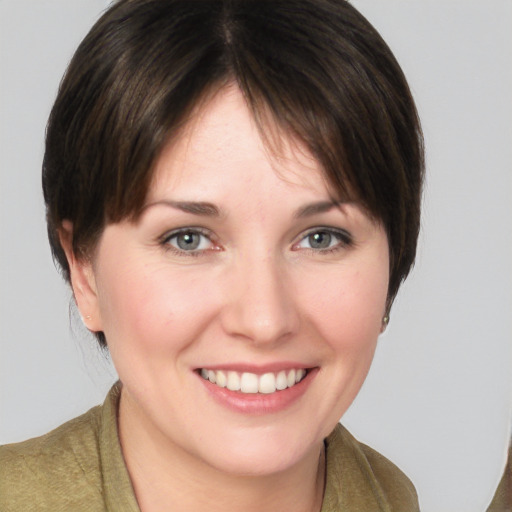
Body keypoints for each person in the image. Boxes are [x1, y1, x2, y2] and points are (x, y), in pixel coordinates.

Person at [0, 0, 424, 510]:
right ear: (84, 270)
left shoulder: (393, 497)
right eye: (188, 239)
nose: (264, 320)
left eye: (321, 237)